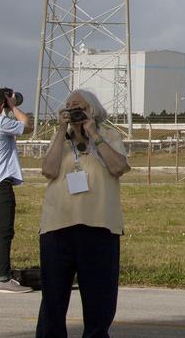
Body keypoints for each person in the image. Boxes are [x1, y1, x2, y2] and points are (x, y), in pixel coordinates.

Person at [37, 89, 130, 338]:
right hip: (58, 227)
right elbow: (48, 170)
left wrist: (93, 134)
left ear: (93, 109)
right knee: (53, 299)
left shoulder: (108, 135)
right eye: (69, 107)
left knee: (99, 298)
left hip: (99, 226)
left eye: (79, 106)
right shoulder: (60, 139)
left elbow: (118, 167)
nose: (73, 110)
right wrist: (60, 131)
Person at [0, 87, 33, 292]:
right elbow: (27, 126)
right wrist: (13, 107)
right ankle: (3, 279)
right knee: (4, 232)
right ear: (1, 105)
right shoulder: (0, 123)